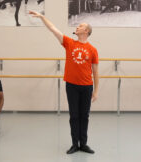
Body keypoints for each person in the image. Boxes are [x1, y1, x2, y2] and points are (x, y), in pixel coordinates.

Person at [29, 11, 99, 154]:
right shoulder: (69, 43)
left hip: (86, 87)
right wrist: (42, 17)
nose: (77, 27)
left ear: (86, 31)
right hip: (72, 86)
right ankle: (75, 144)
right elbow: (53, 29)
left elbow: (96, 71)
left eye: (80, 26)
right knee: (74, 115)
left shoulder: (93, 50)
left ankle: (83, 144)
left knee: (84, 116)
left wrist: (96, 91)